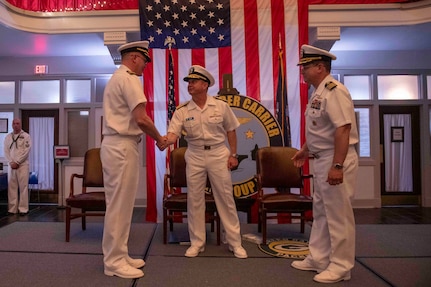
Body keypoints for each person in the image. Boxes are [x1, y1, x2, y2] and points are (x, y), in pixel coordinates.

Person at [290, 45, 359, 284]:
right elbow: (321, 130)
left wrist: (337, 166)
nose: (303, 72)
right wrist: (305, 150)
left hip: (335, 158)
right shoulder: (318, 92)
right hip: (321, 158)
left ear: (320, 67)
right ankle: (319, 258)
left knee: (338, 215)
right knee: (321, 213)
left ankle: (341, 266)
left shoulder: (334, 90)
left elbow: (343, 128)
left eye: (306, 67)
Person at [165, 65, 248, 259]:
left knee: (225, 198)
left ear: (205, 84)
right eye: (188, 82)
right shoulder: (182, 110)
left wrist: (233, 154)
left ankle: (235, 243)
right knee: (194, 199)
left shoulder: (220, 106)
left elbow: (231, 130)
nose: (190, 85)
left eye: (193, 82)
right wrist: (163, 140)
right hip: (194, 155)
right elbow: (173, 133)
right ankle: (197, 243)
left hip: (218, 153)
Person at [101, 40, 166, 279]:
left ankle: (120, 253)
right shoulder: (128, 79)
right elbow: (142, 119)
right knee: (119, 206)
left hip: (118, 146)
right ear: (134, 58)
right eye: (145, 61)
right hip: (121, 146)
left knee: (122, 205)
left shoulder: (117, 78)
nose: (145, 66)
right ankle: (114, 262)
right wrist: (159, 138)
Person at [4, 118, 32, 216]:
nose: (15, 125)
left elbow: (26, 151)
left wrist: (17, 161)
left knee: (23, 187)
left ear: (20, 125)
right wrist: (11, 162)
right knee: (12, 187)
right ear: (12, 125)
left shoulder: (26, 136)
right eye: (14, 123)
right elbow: (6, 151)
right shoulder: (8, 137)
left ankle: (23, 209)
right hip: (11, 166)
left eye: (17, 123)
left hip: (22, 165)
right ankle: (12, 209)